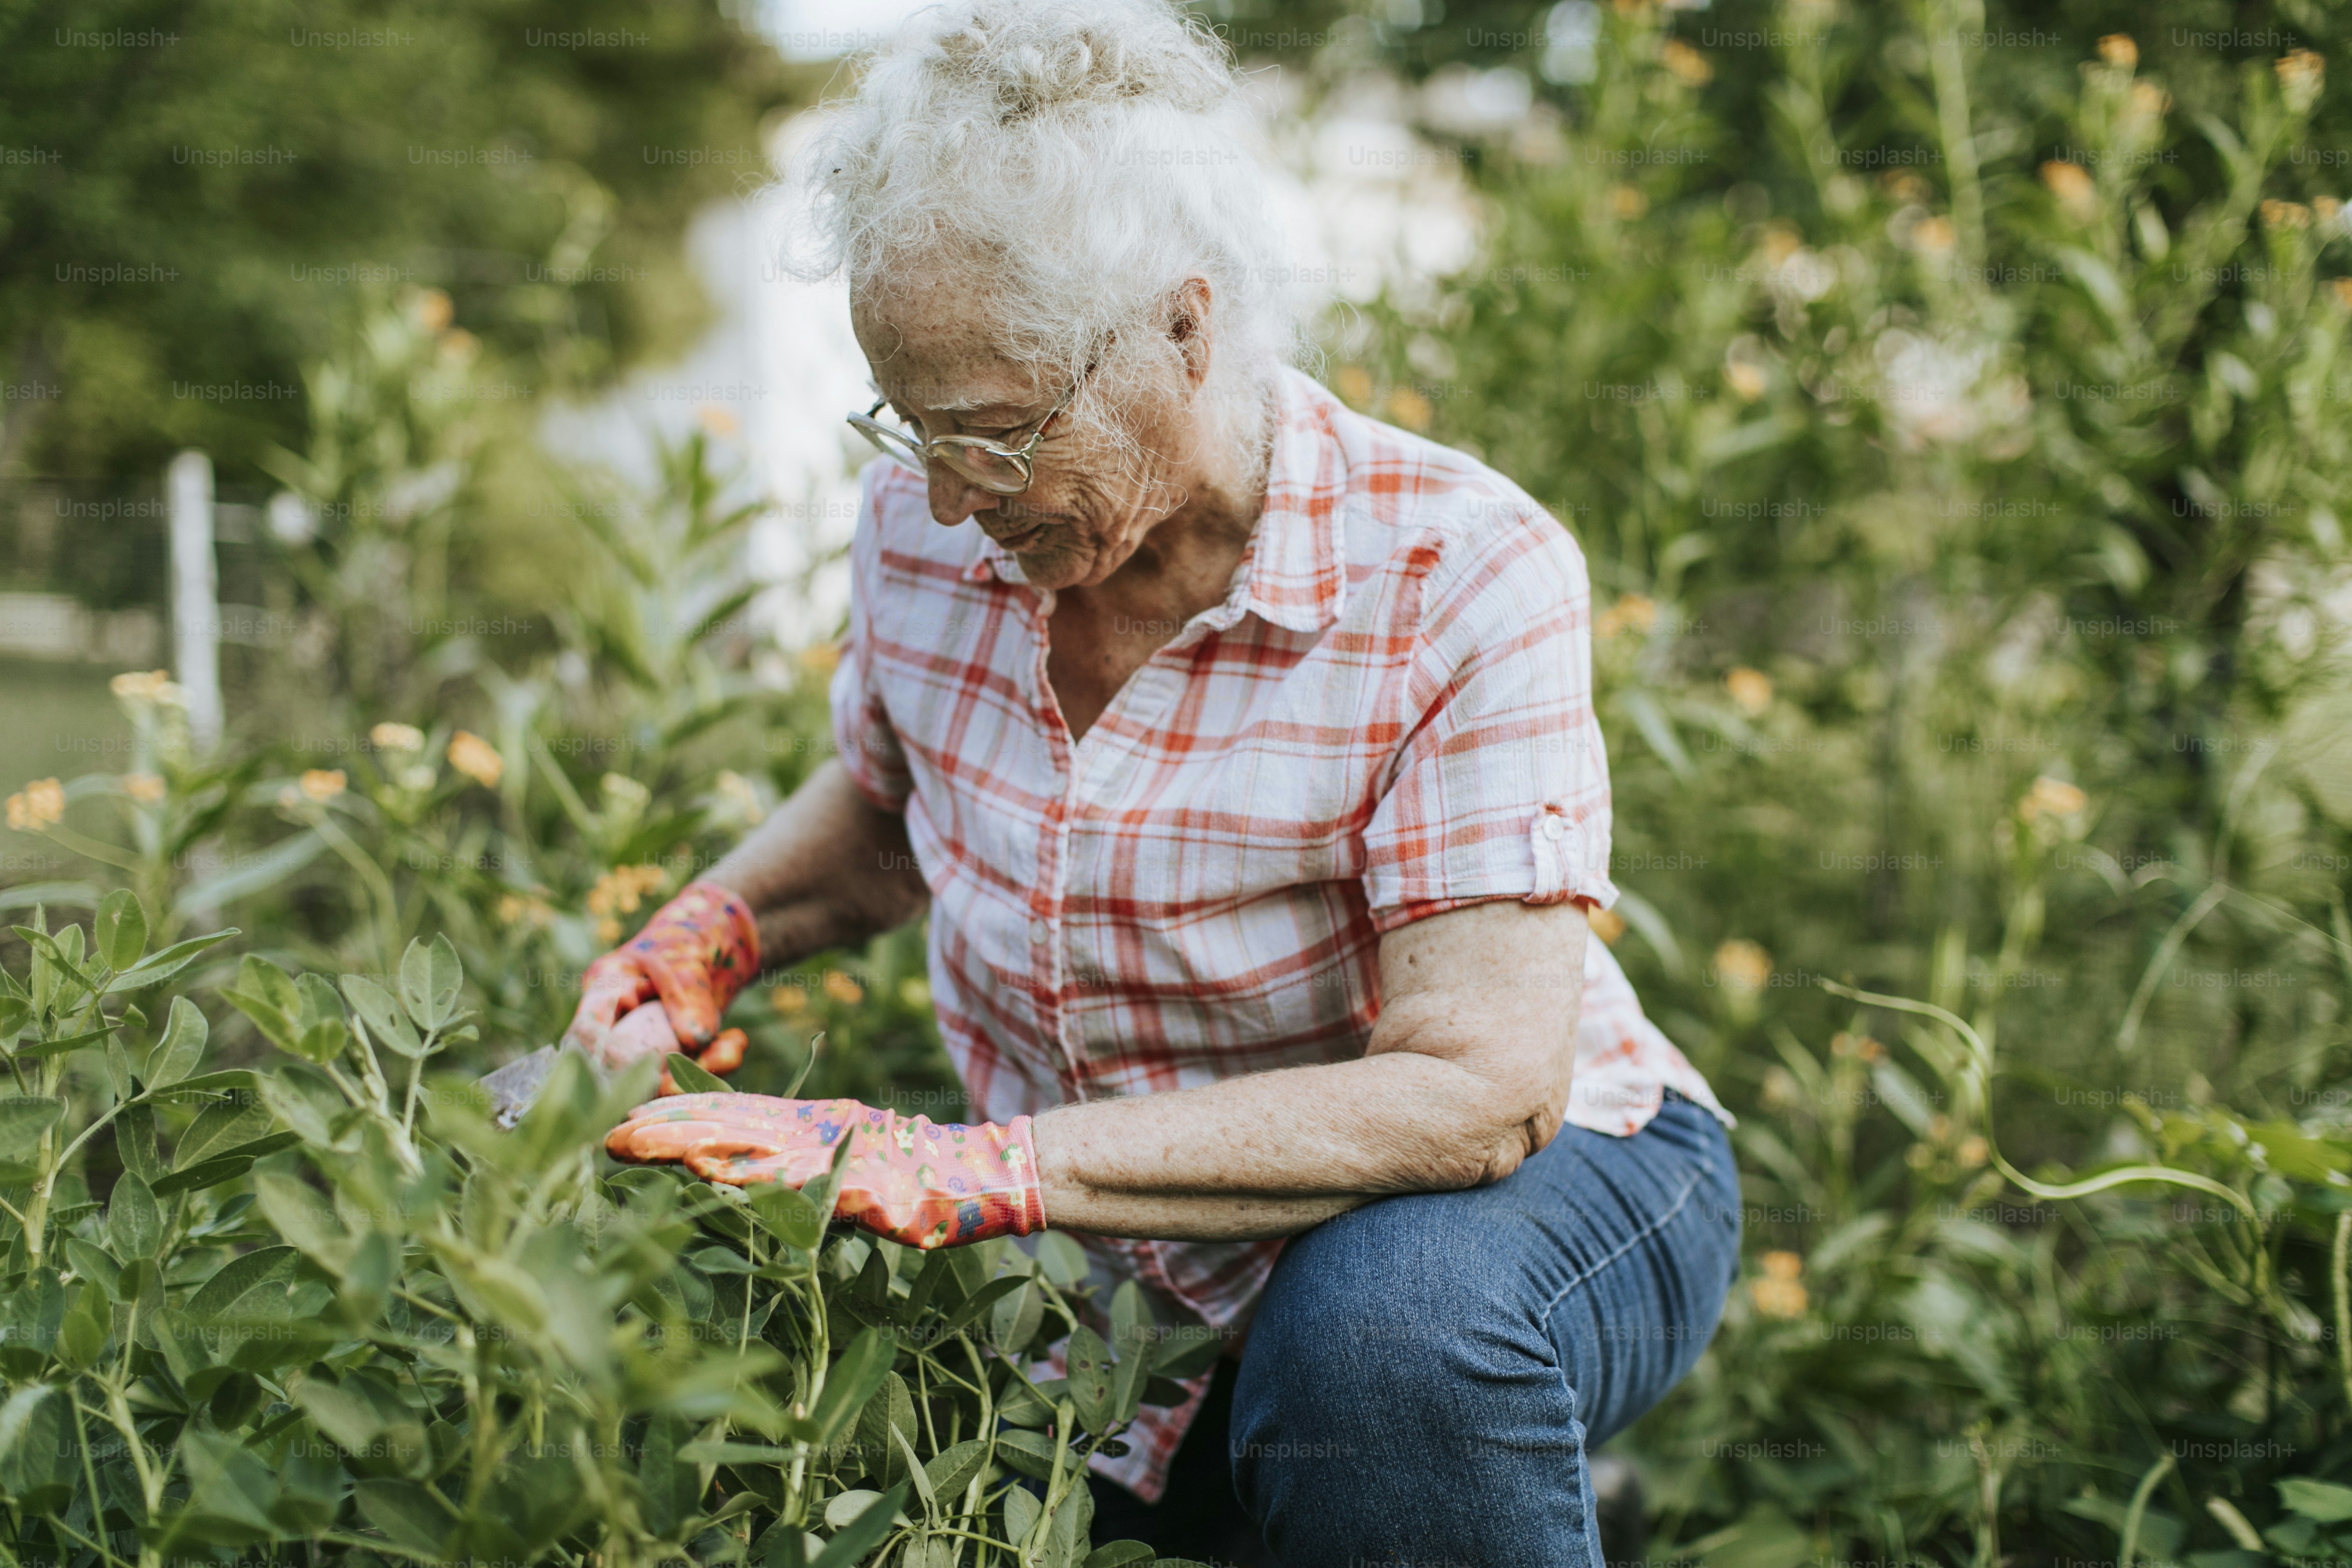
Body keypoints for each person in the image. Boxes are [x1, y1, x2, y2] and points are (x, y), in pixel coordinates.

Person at [567, 2, 1739, 1560]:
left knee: (1382, 1349)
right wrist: (703, 935)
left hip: (1532, 1188)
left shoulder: (1461, 571)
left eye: (991, 433)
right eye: (904, 423)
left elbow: (1477, 1096)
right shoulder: (928, 523)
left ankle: (1461, 1435)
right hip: (1139, 1248)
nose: (939, 493)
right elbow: (882, 807)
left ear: (1185, 331)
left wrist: (972, 1170)